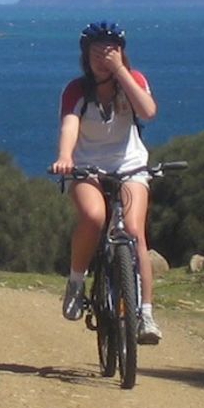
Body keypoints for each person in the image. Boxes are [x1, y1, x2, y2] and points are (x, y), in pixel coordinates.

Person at [50, 20, 162, 344]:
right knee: (95, 217)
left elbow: (149, 111)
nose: (103, 57)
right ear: (85, 56)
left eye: (110, 50)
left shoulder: (134, 80)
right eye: (96, 51)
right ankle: (75, 281)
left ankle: (146, 313)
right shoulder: (76, 90)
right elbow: (69, 125)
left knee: (134, 230)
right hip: (87, 167)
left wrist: (122, 73)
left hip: (130, 166)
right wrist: (65, 157)